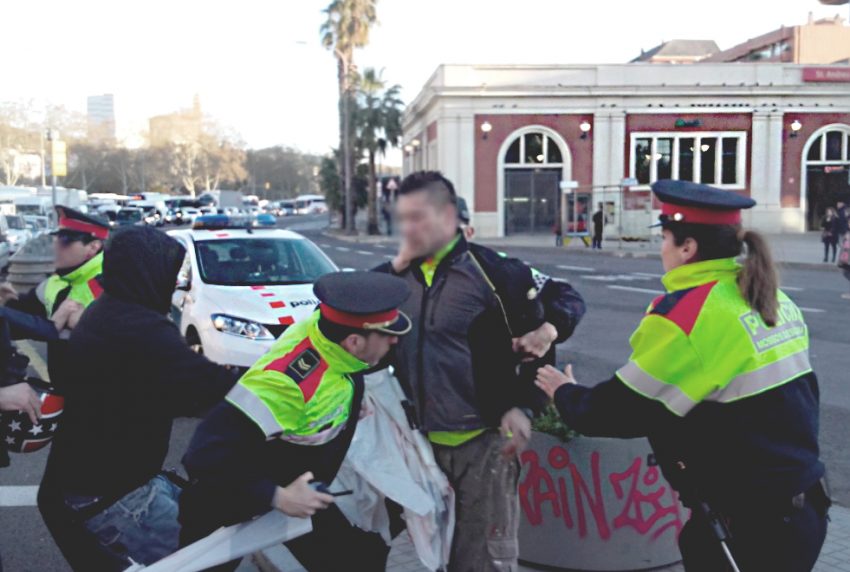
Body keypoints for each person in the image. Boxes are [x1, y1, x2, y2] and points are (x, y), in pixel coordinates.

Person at [535, 179, 829, 572]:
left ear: (687, 248)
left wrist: (565, 393)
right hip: (804, 505)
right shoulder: (769, 297)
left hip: (750, 525)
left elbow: (622, 410)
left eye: (666, 238)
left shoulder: (687, 316)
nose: (662, 249)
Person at [374, 170, 585, 572]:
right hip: (414, 448)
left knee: (484, 560)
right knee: (421, 557)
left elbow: (565, 295)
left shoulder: (497, 272)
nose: (409, 227)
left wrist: (548, 333)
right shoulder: (390, 277)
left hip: (484, 445)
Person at [179, 271, 413, 571]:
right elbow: (203, 453)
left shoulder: (331, 334)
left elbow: (352, 305)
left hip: (293, 488)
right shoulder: (286, 386)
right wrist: (278, 496)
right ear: (354, 342)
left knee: (360, 559)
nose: (394, 341)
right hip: (229, 503)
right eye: (387, 336)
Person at [38, 226, 238, 571]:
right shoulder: (140, 326)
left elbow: (166, 391)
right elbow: (214, 386)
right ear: (149, 271)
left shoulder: (109, 310)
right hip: (114, 494)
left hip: (91, 481)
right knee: (211, 557)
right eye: (170, 274)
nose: (173, 283)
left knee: (214, 542)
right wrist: (297, 392)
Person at [0, 206, 108, 382]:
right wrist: (5, 303)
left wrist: (88, 322)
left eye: (66, 240)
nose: (56, 245)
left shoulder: (113, 284)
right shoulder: (55, 282)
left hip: (101, 396)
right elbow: (19, 322)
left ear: (93, 247)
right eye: (57, 238)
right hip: (61, 390)